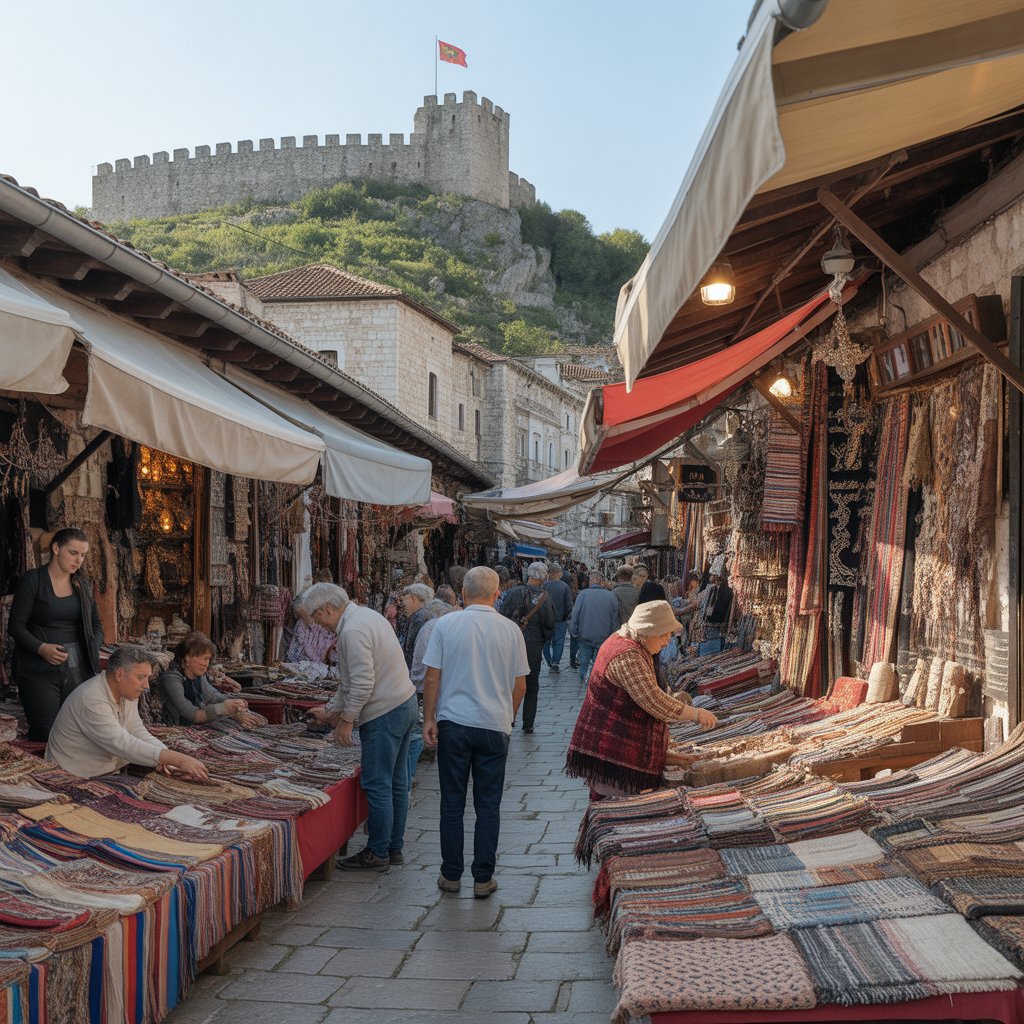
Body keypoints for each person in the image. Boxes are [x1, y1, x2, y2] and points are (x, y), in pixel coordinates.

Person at [422, 566, 527, 898]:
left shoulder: (446, 624)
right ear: (497, 594)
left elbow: (431, 677)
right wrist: (508, 718)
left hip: (454, 724)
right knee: (488, 805)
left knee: (452, 803)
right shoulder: (511, 630)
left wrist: (428, 718)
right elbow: (520, 686)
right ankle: (483, 877)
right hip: (494, 726)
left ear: (463, 593)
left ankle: (451, 875)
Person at [304, 583, 418, 871]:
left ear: (328, 609)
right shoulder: (366, 617)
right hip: (403, 703)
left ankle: (377, 851)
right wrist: (330, 712)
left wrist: (346, 721)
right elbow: (350, 682)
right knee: (396, 782)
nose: (318, 624)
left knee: (378, 783)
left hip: (385, 712)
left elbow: (362, 683)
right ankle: (392, 847)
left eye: (317, 617)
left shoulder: (353, 630)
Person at [565, 602, 717, 799]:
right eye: (664, 635)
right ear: (647, 632)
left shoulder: (629, 643)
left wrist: (667, 756)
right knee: (617, 807)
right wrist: (696, 714)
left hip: (614, 747)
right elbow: (653, 700)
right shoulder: (627, 654)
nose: (667, 641)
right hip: (612, 750)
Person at [46, 645, 209, 780]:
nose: (146, 685)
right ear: (119, 674)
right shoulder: (91, 698)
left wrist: (166, 755)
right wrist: (178, 759)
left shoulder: (127, 691)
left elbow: (136, 731)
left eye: (147, 678)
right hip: (73, 776)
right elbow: (121, 743)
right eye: (141, 677)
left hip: (108, 771)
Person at [9, 528, 104, 741]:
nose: (78, 560)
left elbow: (97, 626)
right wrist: (41, 648)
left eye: (83, 555)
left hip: (78, 667)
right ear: (56, 548)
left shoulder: (82, 583)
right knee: (47, 732)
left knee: (78, 730)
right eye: (73, 553)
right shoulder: (33, 580)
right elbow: (15, 627)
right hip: (38, 668)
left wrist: (91, 647)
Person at [157, 632, 261, 727]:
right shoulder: (171, 678)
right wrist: (223, 708)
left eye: (208, 659)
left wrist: (234, 703)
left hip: (194, 725)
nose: (206, 663)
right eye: (203, 658)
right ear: (187, 657)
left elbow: (213, 696)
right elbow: (189, 713)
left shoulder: (198, 675)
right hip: (175, 728)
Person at [499, 561, 555, 734]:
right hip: (533, 645)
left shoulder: (514, 593)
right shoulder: (545, 598)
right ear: (543, 577)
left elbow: (503, 616)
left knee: (508, 682)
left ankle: (507, 719)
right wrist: (543, 638)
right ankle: (528, 723)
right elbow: (550, 623)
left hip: (511, 643)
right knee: (531, 684)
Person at [406, 598, 456, 787]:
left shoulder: (433, 627)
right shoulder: (434, 628)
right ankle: (407, 778)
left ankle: (407, 778)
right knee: (417, 735)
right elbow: (427, 667)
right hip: (425, 687)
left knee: (417, 735)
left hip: (426, 686)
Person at [569, 570, 622, 685]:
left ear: (590, 581)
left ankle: (585, 683)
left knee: (583, 663)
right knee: (598, 664)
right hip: (603, 637)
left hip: (585, 635)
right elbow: (615, 618)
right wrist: (614, 635)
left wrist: (573, 631)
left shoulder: (582, 594)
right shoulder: (611, 596)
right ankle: (594, 684)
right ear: (602, 582)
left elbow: (575, 614)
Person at [542, 563, 573, 672]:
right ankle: (555, 662)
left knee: (546, 642)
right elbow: (569, 605)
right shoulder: (564, 586)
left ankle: (549, 660)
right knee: (559, 642)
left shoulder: (544, 586)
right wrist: (566, 615)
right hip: (560, 619)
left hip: (546, 620)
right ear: (559, 573)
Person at [401, 582, 434, 669]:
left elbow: (409, 651)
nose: (403, 603)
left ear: (415, 599)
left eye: (406, 598)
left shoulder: (418, 618)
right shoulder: (427, 615)